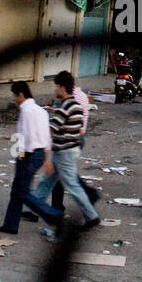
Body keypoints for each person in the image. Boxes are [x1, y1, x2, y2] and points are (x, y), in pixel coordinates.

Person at [31, 72, 103, 231]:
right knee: (46, 181)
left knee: (72, 185)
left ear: (63, 87)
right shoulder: (75, 105)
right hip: (66, 150)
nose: (55, 89)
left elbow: (52, 129)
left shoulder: (66, 106)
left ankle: (92, 216)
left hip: (64, 152)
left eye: (56, 86)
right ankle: (33, 208)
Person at [0, 82, 65, 234]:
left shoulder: (26, 111)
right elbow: (46, 136)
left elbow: (26, 136)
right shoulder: (41, 110)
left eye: (15, 96)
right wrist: (46, 158)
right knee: (17, 190)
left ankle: (52, 214)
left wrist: (20, 154)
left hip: (28, 155)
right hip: (39, 154)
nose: (14, 100)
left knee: (21, 192)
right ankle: (10, 224)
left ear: (20, 94)